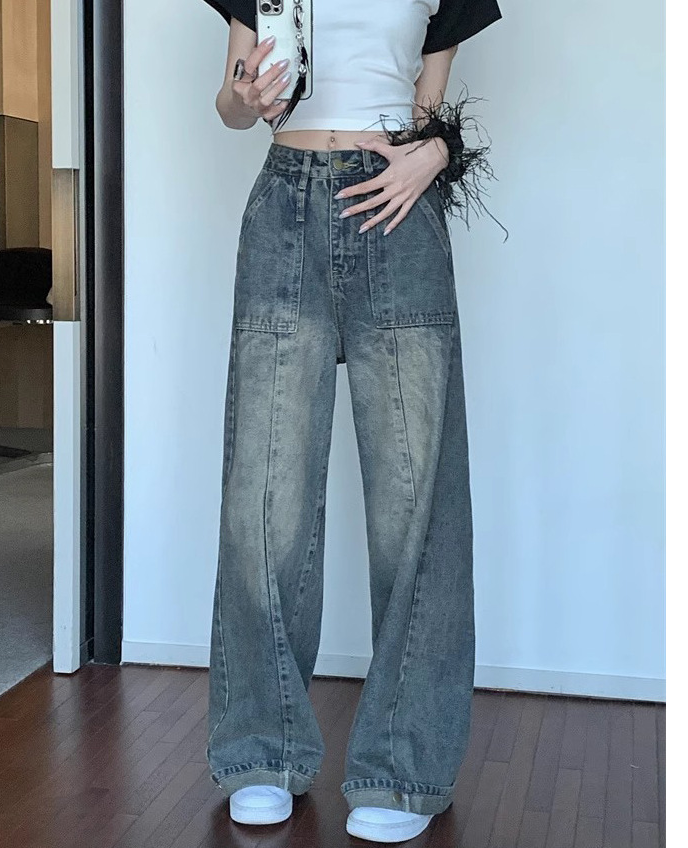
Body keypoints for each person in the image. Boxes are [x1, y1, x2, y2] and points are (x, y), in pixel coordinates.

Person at [200, 1, 502, 842]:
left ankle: (402, 770)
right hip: (283, 208)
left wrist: (433, 154)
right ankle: (263, 752)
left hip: (396, 211)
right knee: (264, 500)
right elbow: (228, 104)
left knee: (416, 500)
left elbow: (429, 114)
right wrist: (245, 96)